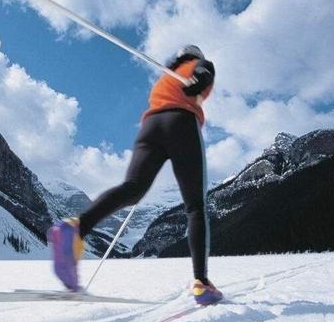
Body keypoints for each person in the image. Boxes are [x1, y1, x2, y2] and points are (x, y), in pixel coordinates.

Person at [47, 45, 223, 305]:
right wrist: (201, 77)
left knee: (133, 187)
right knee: (195, 206)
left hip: (150, 128)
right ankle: (201, 282)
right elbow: (204, 72)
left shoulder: (166, 78)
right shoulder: (197, 65)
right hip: (182, 123)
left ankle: (76, 227)